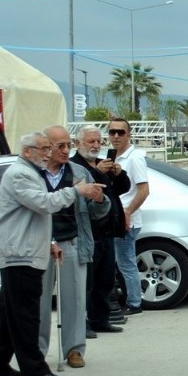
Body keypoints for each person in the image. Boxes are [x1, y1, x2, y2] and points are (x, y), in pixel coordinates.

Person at [0, 131, 105, 376]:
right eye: (44, 148)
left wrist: (49, 242)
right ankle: (35, 369)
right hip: (20, 254)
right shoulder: (21, 174)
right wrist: (76, 191)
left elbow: (35, 216)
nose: (49, 153)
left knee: (10, 314)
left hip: (26, 250)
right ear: (28, 151)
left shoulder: (29, 173)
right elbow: (44, 204)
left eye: (52, 147)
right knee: (27, 315)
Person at [37, 126, 111, 369]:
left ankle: (74, 349)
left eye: (68, 145)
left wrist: (100, 200)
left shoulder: (79, 172)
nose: (66, 150)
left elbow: (96, 212)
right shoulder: (36, 173)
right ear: (46, 147)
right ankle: (37, 351)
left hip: (72, 241)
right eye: (60, 146)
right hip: (40, 244)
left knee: (75, 300)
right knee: (39, 301)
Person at [72, 125, 130, 335]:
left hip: (107, 232)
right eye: (91, 141)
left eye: (98, 141)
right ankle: (83, 323)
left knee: (105, 280)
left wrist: (119, 173)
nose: (96, 145)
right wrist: (96, 173)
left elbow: (121, 189)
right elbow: (81, 194)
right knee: (86, 282)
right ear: (78, 144)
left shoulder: (101, 164)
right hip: (88, 233)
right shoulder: (74, 167)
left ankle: (101, 319)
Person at [109, 118, 149, 315]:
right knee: (120, 262)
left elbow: (144, 190)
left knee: (126, 262)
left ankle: (134, 302)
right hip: (115, 217)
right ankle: (128, 298)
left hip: (126, 219)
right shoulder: (114, 157)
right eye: (112, 132)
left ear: (129, 134)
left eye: (121, 132)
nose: (116, 136)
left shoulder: (134, 158)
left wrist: (127, 212)